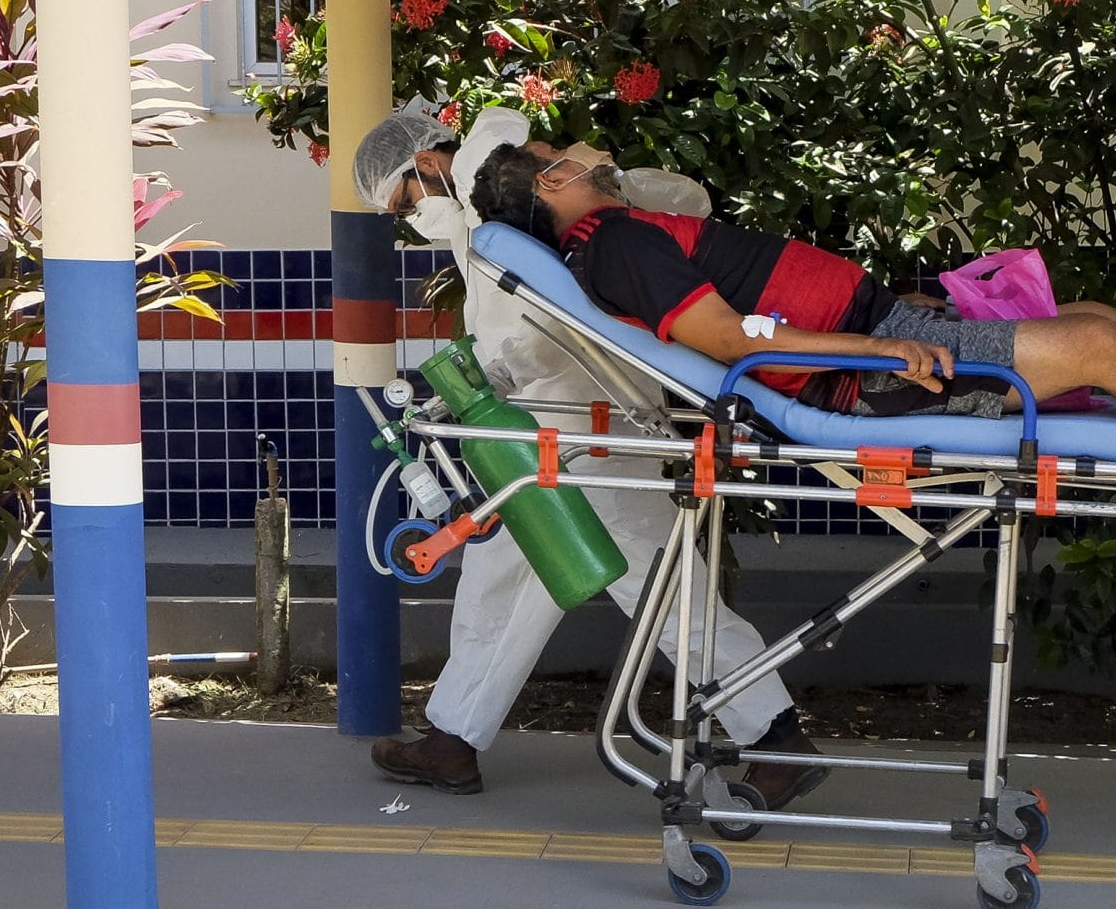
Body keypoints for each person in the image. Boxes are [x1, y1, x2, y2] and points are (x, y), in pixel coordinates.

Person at [352, 106, 824, 804]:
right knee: (527, 573)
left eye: (402, 203)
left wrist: (481, 380)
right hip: (580, 427)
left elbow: (533, 333)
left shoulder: (491, 193)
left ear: (424, 164)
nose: (409, 218)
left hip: (579, 432)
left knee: (649, 591)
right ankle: (454, 737)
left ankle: (776, 738)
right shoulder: (491, 197)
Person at [465, 138, 1116, 440]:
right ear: (551, 185)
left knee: (1095, 320)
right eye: (564, 150)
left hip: (888, 333)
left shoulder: (618, 237)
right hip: (871, 379)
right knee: (1094, 349)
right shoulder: (616, 245)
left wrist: (892, 321)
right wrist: (886, 347)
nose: (587, 150)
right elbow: (733, 340)